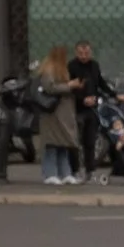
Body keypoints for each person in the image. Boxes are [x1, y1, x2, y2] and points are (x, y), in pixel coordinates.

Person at [36, 46, 82, 186]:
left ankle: (65, 173)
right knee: (52, 145)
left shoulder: (59, 69)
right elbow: (50, 88)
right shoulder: (49, 70)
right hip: (53, 113)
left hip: (62, 112)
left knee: (63, 144)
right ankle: (50, 173)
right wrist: (69, 86)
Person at [68, 40, 105, 179]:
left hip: (92, 108)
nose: (84, 56)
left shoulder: (94, 66)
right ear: (76, 53)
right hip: (77, 108)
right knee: (75, 141)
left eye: (86, 53)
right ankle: (75, 169)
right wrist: (82, 99)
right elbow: (69, 88)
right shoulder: (71, 67)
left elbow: (100, 83)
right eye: (81, 53)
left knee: (90, 140)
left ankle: (90, 169)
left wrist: (113, 94)